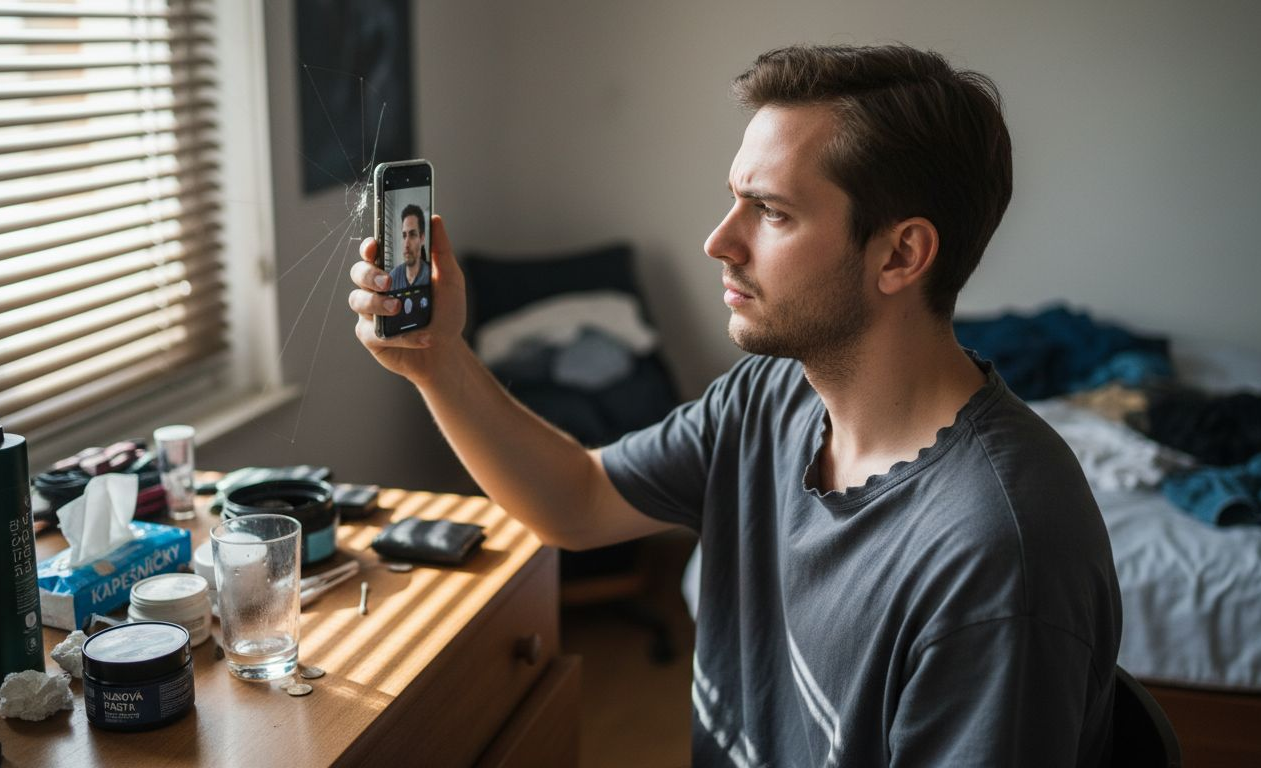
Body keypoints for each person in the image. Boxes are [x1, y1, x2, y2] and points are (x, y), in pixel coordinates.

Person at [349, 44, 1120, 767]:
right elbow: (578, 502)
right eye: (734, 201)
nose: (720, 241)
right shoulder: (774, 393)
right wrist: (438, 362)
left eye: (772, 212)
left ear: (900, 255)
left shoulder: (998, 555)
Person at [390, 203, 430, 289]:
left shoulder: (431, 276)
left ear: (422, 239)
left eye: (412, 235)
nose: (406, 244)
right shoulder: (393, 278)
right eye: (404, 235)